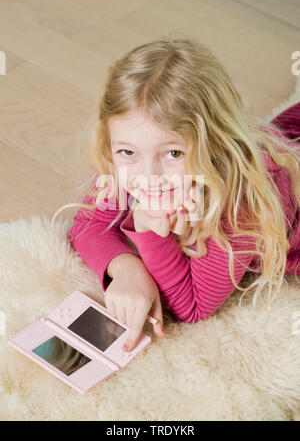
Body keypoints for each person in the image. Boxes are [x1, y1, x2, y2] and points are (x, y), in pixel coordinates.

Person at [53, 38, 300, 354]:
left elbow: (192, 307)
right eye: (127, 151)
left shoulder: (244, 202)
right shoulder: (129, 161)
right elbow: (87, 224)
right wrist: (127, 268)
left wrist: (148, 231)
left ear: (216, 145)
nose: (149, 176)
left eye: (172, 153)